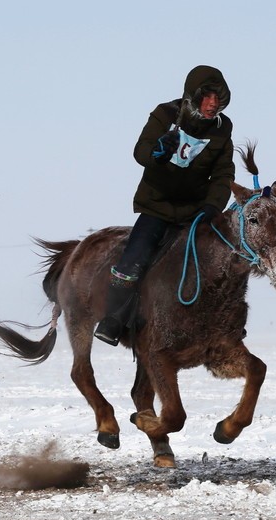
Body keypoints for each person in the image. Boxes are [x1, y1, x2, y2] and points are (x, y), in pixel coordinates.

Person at [94, 65, 235, 346]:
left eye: (217, 99)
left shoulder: (223, 128)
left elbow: (223, 174)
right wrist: (157, 151)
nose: (212, 104)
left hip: (195, 213)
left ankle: (224, 325)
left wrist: (213, 206)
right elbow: (140, 150)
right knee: (133, 261)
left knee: (220, 262)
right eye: (206, 97)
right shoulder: (165, 114)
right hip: (156, 207)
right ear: (192, 96)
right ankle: (114, 319)